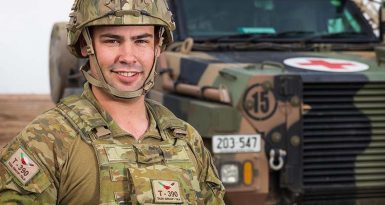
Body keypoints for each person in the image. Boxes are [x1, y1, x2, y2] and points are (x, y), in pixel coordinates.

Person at [0, 0, 225, 204]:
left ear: (158, 46)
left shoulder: (186, 140)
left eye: (141, 41)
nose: (128, 56)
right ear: (86, 46)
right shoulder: (48, 139)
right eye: (112, 40)